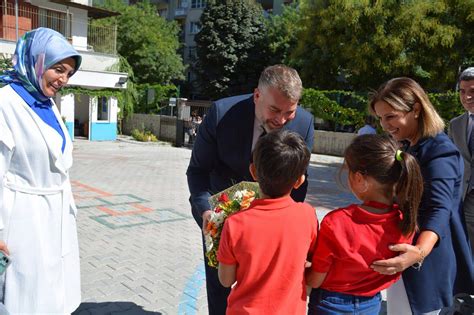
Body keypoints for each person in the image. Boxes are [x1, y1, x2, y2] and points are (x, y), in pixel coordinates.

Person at [186, 64, 315, 314]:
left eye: (289, 112)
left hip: (276, 228)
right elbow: (198, 171)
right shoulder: (222, 114)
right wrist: (206, 214)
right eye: (274, 110)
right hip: (222, 223)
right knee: (219, 288)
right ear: (257, 95)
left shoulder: (304, 123)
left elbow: (299, 181)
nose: (281, 120)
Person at [369, 77, 474, 314]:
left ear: (415, 109)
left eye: (391, 116)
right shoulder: (409, 145)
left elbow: (440, 209)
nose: (385, 125)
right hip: (406, 256)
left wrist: (418, 253)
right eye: (381, 118)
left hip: (426, 261)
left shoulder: (440, 150)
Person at [0, 28, 82, 313]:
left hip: (56, 216)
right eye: (58, 69)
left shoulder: (46, 104)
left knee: (55, 296)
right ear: (35, 61)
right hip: (22, 220)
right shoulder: (5, 102)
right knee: (26, 298)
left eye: (69, 74)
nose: (63, 79)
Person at [307, 134, 423, 315]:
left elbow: (315, 280)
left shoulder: (337, 222)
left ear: (360, 178)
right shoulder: (405, 221)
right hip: (371, 304)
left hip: (330, 303)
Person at [217, 130, 318, 314]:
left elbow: (226, 280)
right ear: (299, 181)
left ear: (253, 171)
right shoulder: (308, 215)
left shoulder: (235, 223)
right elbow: (309, 260)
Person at [449, 67, 474, 254]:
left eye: (472, 91)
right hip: (463, 199)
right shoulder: (455, 125)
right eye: (462, 91)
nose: (466, 97)